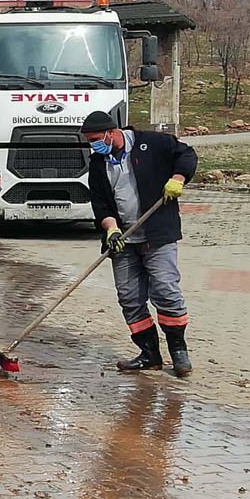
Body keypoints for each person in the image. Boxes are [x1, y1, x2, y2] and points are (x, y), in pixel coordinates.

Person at [80, 110, 198, 376]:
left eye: (96, 138)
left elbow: (187, 154)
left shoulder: (153, 143)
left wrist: (178, 178)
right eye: (89, 140)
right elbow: (100, 203)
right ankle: (149, 354)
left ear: (112, 133)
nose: (93, 145)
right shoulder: (99, 163)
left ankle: (179, 353)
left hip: (157, 234)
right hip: (124, 241)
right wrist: (110, 229)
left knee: (166, 292)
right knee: (130, 299)